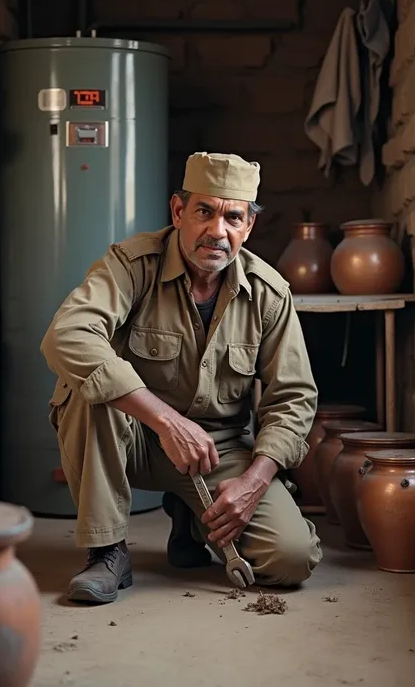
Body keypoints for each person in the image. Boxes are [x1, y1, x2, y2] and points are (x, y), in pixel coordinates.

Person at [41, 151, 322, 605]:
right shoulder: (132, 266)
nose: (218, 231)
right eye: (204, 212)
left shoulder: (269, 294)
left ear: (248, 226)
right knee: (88, 388)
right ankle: (108, 551)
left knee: (290, 560)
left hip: (217, 451)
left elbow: (293, 397)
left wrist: (254, 481)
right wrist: (167, 422)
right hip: (131, 436)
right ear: (178, 211)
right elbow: (67, 335)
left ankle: (191, 517)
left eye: (233, 217)